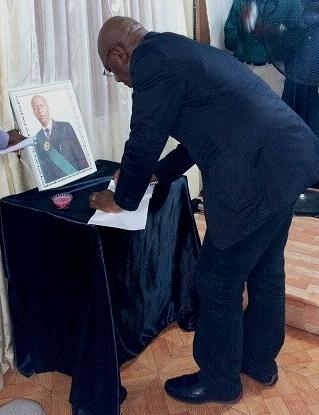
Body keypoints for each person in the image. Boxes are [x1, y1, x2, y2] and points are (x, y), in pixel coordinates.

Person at [91, 16, 319, 405]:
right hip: (291, 155)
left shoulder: (151, 61)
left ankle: (219, 382)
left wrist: (121, 198)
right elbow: (205, 132)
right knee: (265, 266)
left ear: (120, 53)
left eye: (114, 73)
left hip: (259, 172)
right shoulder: (178, 50)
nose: (122, 81)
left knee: (216, 278)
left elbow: (145, 136)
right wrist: (156, 176)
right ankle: (259, 361)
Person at [31, 95, 89, 183]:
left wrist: (87, 180)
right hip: (55, 186)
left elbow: (80, 157)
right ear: (34, 113)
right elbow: (43, 169)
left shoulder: (65, 127)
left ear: (47, 107)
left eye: (42, 106)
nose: (39, 110)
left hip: (74, 179)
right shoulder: (38, 137)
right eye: (35, 108)